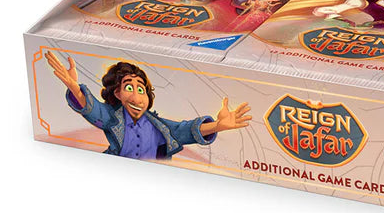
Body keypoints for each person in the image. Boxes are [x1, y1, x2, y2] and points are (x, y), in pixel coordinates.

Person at [45, 51, 251, 160]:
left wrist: (217, 126)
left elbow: (184, 130)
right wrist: (75, 89)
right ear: (117, 93)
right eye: (128, 88)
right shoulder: (113, 118)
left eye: (141, 89)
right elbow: (94, 110)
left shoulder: (158, 126)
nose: (137, 97)